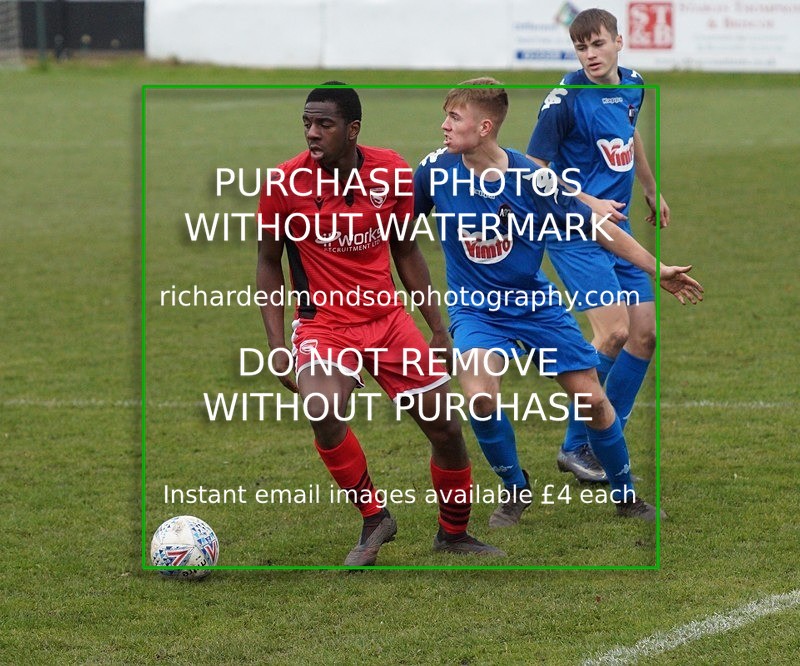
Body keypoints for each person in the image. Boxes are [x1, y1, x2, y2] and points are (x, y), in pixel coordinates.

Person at [414, 78, 702, 525]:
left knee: (593, 401)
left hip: (535, 307)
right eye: (446, 117)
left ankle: (626, 496)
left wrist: (657, 267)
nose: (444, 126)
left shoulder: (533, 179)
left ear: (485, 126)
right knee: (480, 397)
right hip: (475, 311)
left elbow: (599, 228)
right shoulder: (433, 171)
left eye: (454, 117)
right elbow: (394, 228)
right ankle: (515, 489)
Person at [256, 82, 504, 565]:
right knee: (322, 409)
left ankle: (453, 534)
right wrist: (277, 345)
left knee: (446, 429)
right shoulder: (284, 184)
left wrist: (437, 327)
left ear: (352, 129)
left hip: (388, 321)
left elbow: (406, 250)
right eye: (307, 123)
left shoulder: (391, 171)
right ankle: (375, 516)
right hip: (325, 326)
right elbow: (268, 263)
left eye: (324, 124)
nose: (312, 133)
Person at [527, 8, 667, 483]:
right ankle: (576, 445)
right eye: (581, 47)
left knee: (644, 335)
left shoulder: (634, 84)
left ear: (618, 42)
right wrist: (588, 202)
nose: (590, 54)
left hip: (618, 232)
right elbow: (534, 170)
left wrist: (650, 187)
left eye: (598, 44)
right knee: (612, 333)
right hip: (574, 233)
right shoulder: (563, 101)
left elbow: (630, 133)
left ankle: (607, 439)